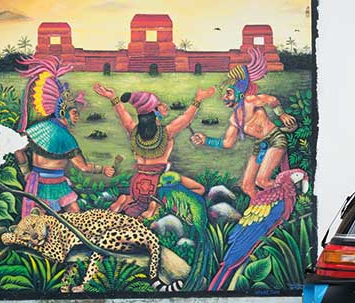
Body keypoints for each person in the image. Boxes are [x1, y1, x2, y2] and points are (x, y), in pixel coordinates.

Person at [190, 46, 297, 206]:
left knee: (262, 180)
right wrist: (205, 140)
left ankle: (292, 193)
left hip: (275, 139)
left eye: (228, 93)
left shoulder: (249, 101)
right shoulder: (235, 119)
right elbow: (227, 143)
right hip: (260, 145)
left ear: (239, 93)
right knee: (247, 186)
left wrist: (281, 114)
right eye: (224, 94)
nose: (224, 98)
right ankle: (262, 212)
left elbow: (270, 99)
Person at [93, 84, 216, 219]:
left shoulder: (134, 131)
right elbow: (186, 119)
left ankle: (124, 200)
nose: (163, 105)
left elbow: (123, 115)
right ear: (154, 113)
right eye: (159, 105)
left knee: (138, 201)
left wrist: (113, 98)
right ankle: (154, 206)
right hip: (157, 182)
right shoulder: (166, 132)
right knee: (200, 189)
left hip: (137, 183)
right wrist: (198, 99)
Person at [13, 55, 114, 217]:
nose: (77, 117)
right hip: (45, 185)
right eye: (74, 113)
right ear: (63, 112)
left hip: (45, 183)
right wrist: (103, 169)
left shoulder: (39, 128)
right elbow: (83, 167)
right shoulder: (66, 139)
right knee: (64, 217)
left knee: (66, 215)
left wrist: (26, 173)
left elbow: (18, 150)